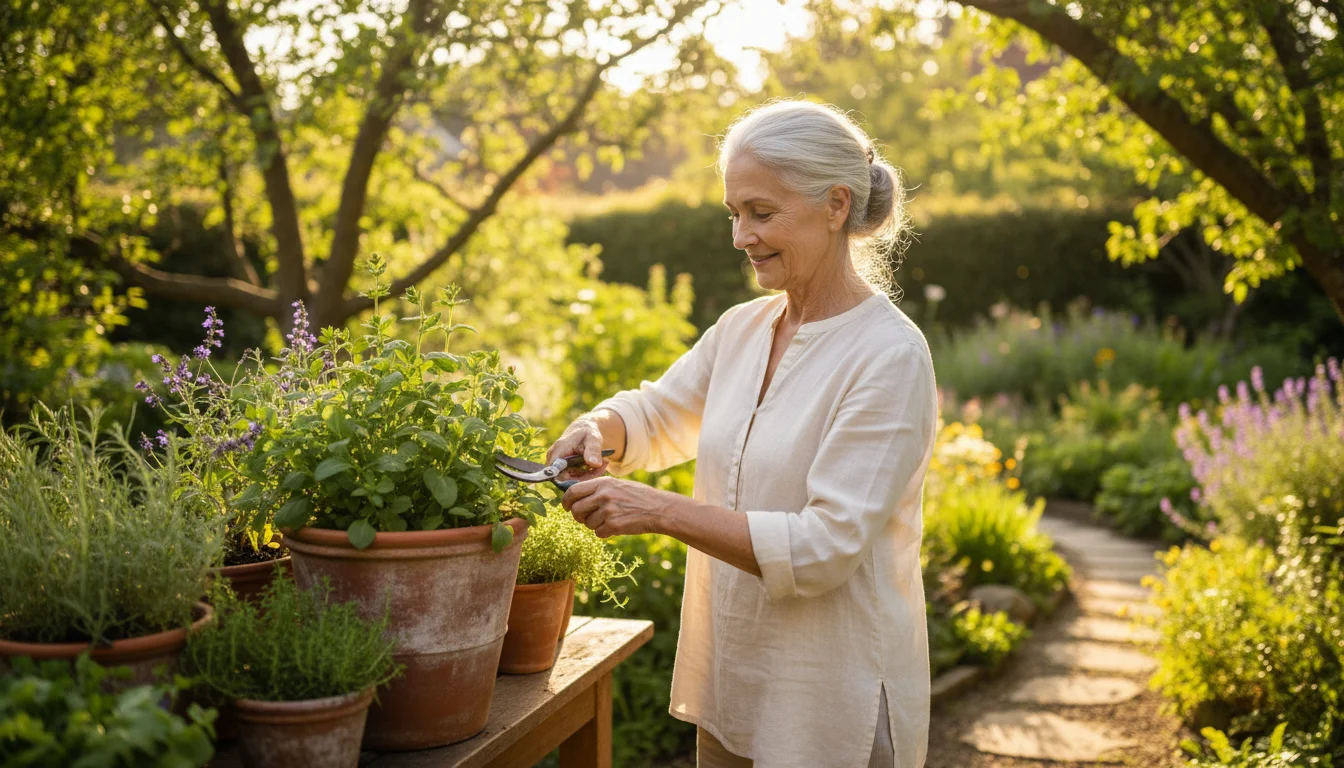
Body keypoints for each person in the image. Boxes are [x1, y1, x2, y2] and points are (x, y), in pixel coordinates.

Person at [549, 99, 938, 768]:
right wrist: (594, 429)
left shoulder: (889, 355)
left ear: (836, 205)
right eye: (735, 214)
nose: (741, 236)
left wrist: (657, 509)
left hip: (829, 698)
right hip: (734, 681)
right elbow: (655, 414)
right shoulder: (742, 330)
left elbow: (824, 547)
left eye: (761, 213)